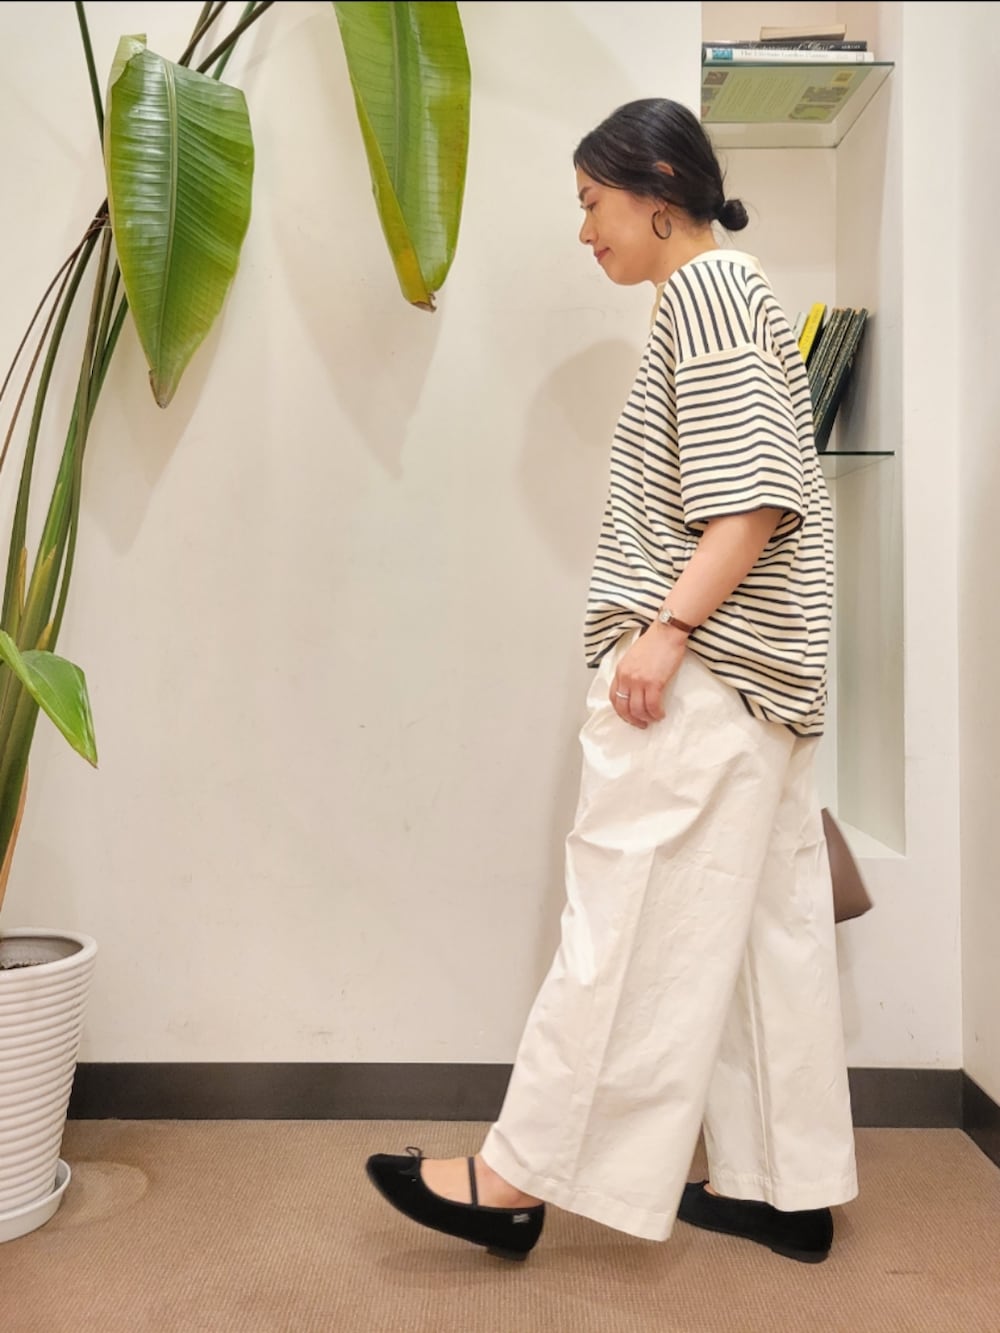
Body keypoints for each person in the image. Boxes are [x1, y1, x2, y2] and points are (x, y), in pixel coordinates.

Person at [365, 97, 857, 1266]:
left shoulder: (709, 291)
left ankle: (515, 1177)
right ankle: (785, 1188)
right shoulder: (730, 293)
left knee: (623, 921)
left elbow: (751, 498)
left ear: (660, 189)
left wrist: (666, 630)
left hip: (706, 672)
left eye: (593, 202)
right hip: (762, 677)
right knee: (763, 936)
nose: (583, 229)